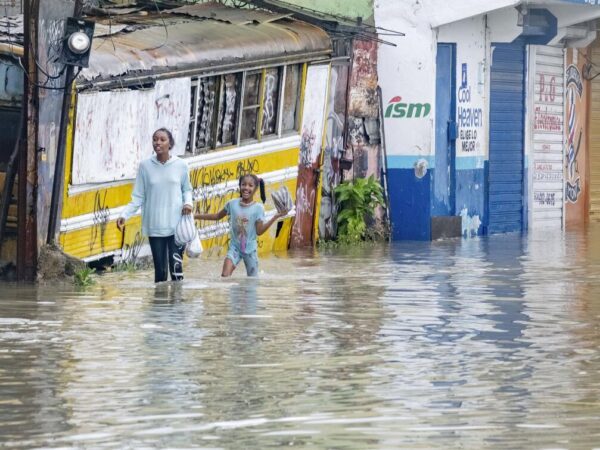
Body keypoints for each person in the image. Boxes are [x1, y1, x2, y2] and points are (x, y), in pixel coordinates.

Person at [116, 128, 193, 282]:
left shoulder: (181, 165)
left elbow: (187, 190)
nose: (158, 142)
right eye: (155, 139)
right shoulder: (145, 166)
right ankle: (160, 304)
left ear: (170, 143)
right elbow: (138, 196)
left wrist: (188, 203)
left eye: (162, 139)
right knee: (160, 272)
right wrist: (124, 215)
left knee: (176, 270)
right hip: (155, 225)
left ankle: (178, 305)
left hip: (176, 226)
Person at [195, 174, 287, 277]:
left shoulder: (258, 208)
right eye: (243, 184)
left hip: (250, 251)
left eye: (250, 185)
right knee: (225, 276)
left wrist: (275, 217)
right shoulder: (232, 204)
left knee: (252, 283)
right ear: (239, 186)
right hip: (235, 248)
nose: (246, 188)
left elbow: (259, 231)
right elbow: (217, 216)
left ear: (256, 188)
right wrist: (194, 216)